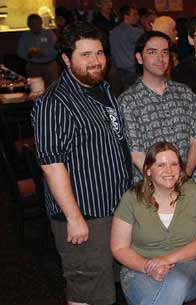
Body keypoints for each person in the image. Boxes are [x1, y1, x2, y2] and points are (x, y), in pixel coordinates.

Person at [32, 21, 131, 305]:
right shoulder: (54, 103)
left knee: (108, 285)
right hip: (85, 215)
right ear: (66, 59)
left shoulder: (102, 88)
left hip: (114, 208)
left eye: (99, 53)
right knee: (87, 290)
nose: (95, 61)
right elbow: (51, 164)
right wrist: (75, 218)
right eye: (85, 55)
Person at [111, 142, 196, 305]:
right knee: (153, 297)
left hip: (190, 265)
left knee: (176, 283)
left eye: (174, 164)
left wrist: (166, 259)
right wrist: (147, 266)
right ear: (148, 170)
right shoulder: (131, 198)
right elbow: (119, 247)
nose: (169, 170)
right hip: (139, 268)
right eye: (161, 165)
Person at [119, 31, 196, 183]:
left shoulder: (185, 93)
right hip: (150, 190)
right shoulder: (128, 101)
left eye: (165, 52)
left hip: (189, 184)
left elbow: (194, 141)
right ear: (139, 58)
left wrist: (186, 175)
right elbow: (136, 153)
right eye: (152, 52)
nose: (160, 58)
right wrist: (167, 182)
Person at [18, 14, 59, 87]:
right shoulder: (25, 36)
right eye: (32, 24)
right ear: (28, 25)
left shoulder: (49, 34)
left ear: (41, 23)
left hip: (49, 67)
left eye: (37, 23)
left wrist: (43, 53)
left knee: (52, 89)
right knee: (36, 91)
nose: (35, 25)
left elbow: (56, 51)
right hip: (33, 67)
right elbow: (20, 53)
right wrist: (29, 54)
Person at [109, 5, 144, 91]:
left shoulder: (113, 32)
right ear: (126, 17)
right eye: (134, 14)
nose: (138, 17)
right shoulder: (135, 32)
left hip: (118, 72)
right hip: (133, 71)